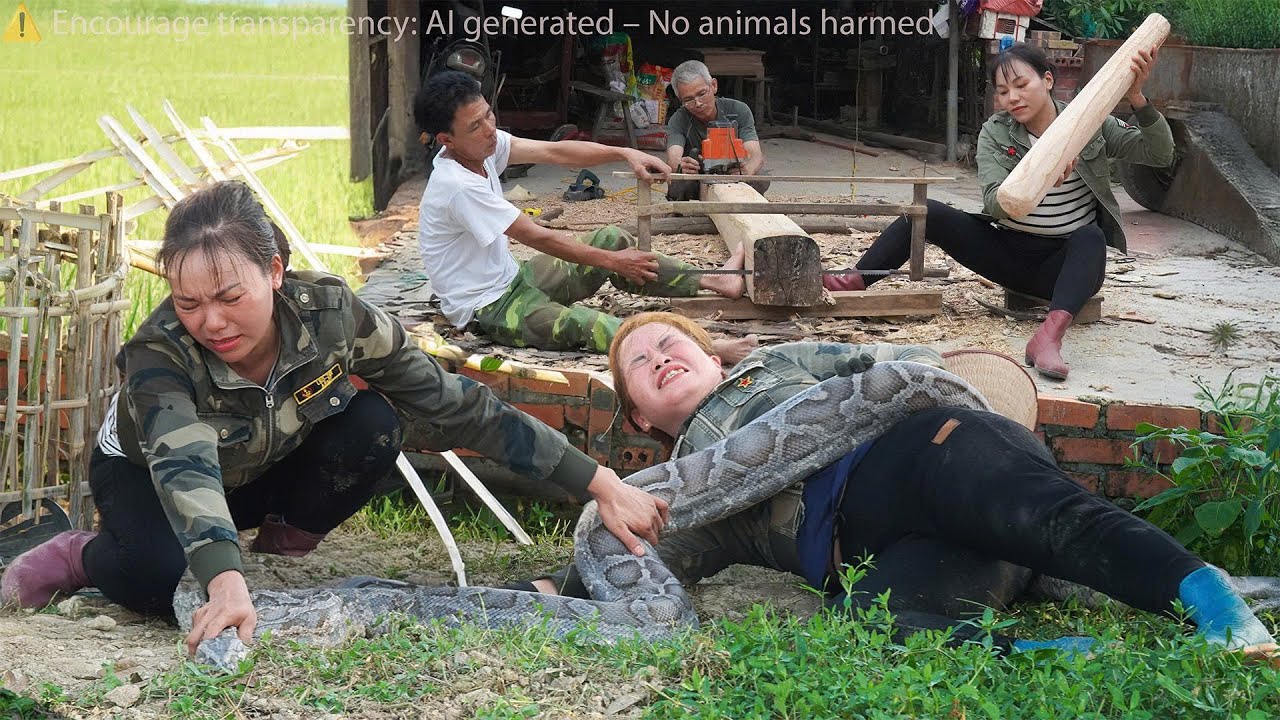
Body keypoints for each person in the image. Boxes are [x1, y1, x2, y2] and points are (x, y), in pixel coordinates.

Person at [0, 182, 671, 655]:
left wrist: (601, 484)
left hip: (259, 459)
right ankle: (81, 553)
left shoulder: (331, 315)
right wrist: (226, 585)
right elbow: (184, 462)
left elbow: (452, 402)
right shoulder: (158, 353)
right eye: (188, 301)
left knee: (373, 424)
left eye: (230, 296)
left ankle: (264, 548)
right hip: (148, 473)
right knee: (153, 579)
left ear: (275, 270)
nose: (209, 320)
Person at [522, 312, 1277, 660]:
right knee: (882, 627)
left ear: (715, 357)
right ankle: (1065, 652)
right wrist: (560, 587)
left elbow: (906, 361)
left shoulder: (779, 364)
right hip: (872, 548)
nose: (658, 358)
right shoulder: (675, 487)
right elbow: (644, 550)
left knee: (1045, 516)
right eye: (639, 367)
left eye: (669, 341)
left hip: (920, 454)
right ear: (641, 417)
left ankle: (1217, 605)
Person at [825, 44, 1174, 380]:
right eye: (1004, 91)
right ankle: (853, 280)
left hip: (1066, 268)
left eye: (1022, 85)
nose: (1013, 98)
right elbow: (993, 201)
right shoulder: (995, 132)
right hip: (1007, 255)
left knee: (1090, 236)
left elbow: (1160, 155)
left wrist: (1138, 100)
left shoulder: (1089, 122)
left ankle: (1047, 339)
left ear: (1048, 80)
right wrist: (1038, 180)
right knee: (927, 211)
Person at [413, 70, 755, 359]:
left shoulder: (484, 144)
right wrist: (613, 262)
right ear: (447, 139)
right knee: (590, 323)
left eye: (488, 114)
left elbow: (556, 151)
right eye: (475, 125)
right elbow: (536, 235)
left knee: (612, 239)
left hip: (516, 277)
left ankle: (714, 280)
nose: (489, 128)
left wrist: (624, 152)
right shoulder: (456, 185)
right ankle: (701, 348)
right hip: (489, 308)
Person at [664, 60, 770, 202]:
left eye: (702, 93)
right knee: (677, 182)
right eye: (688, 100)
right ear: (680, 100)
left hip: (733, 172)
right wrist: (680, 165)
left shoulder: (739, 110)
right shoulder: (678, 119)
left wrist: (746, 172)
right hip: (698, 176)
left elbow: (755, 155)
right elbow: (673, 157)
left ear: (713, 85)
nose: (698, 103)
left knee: (761, 178)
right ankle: (679, 213)